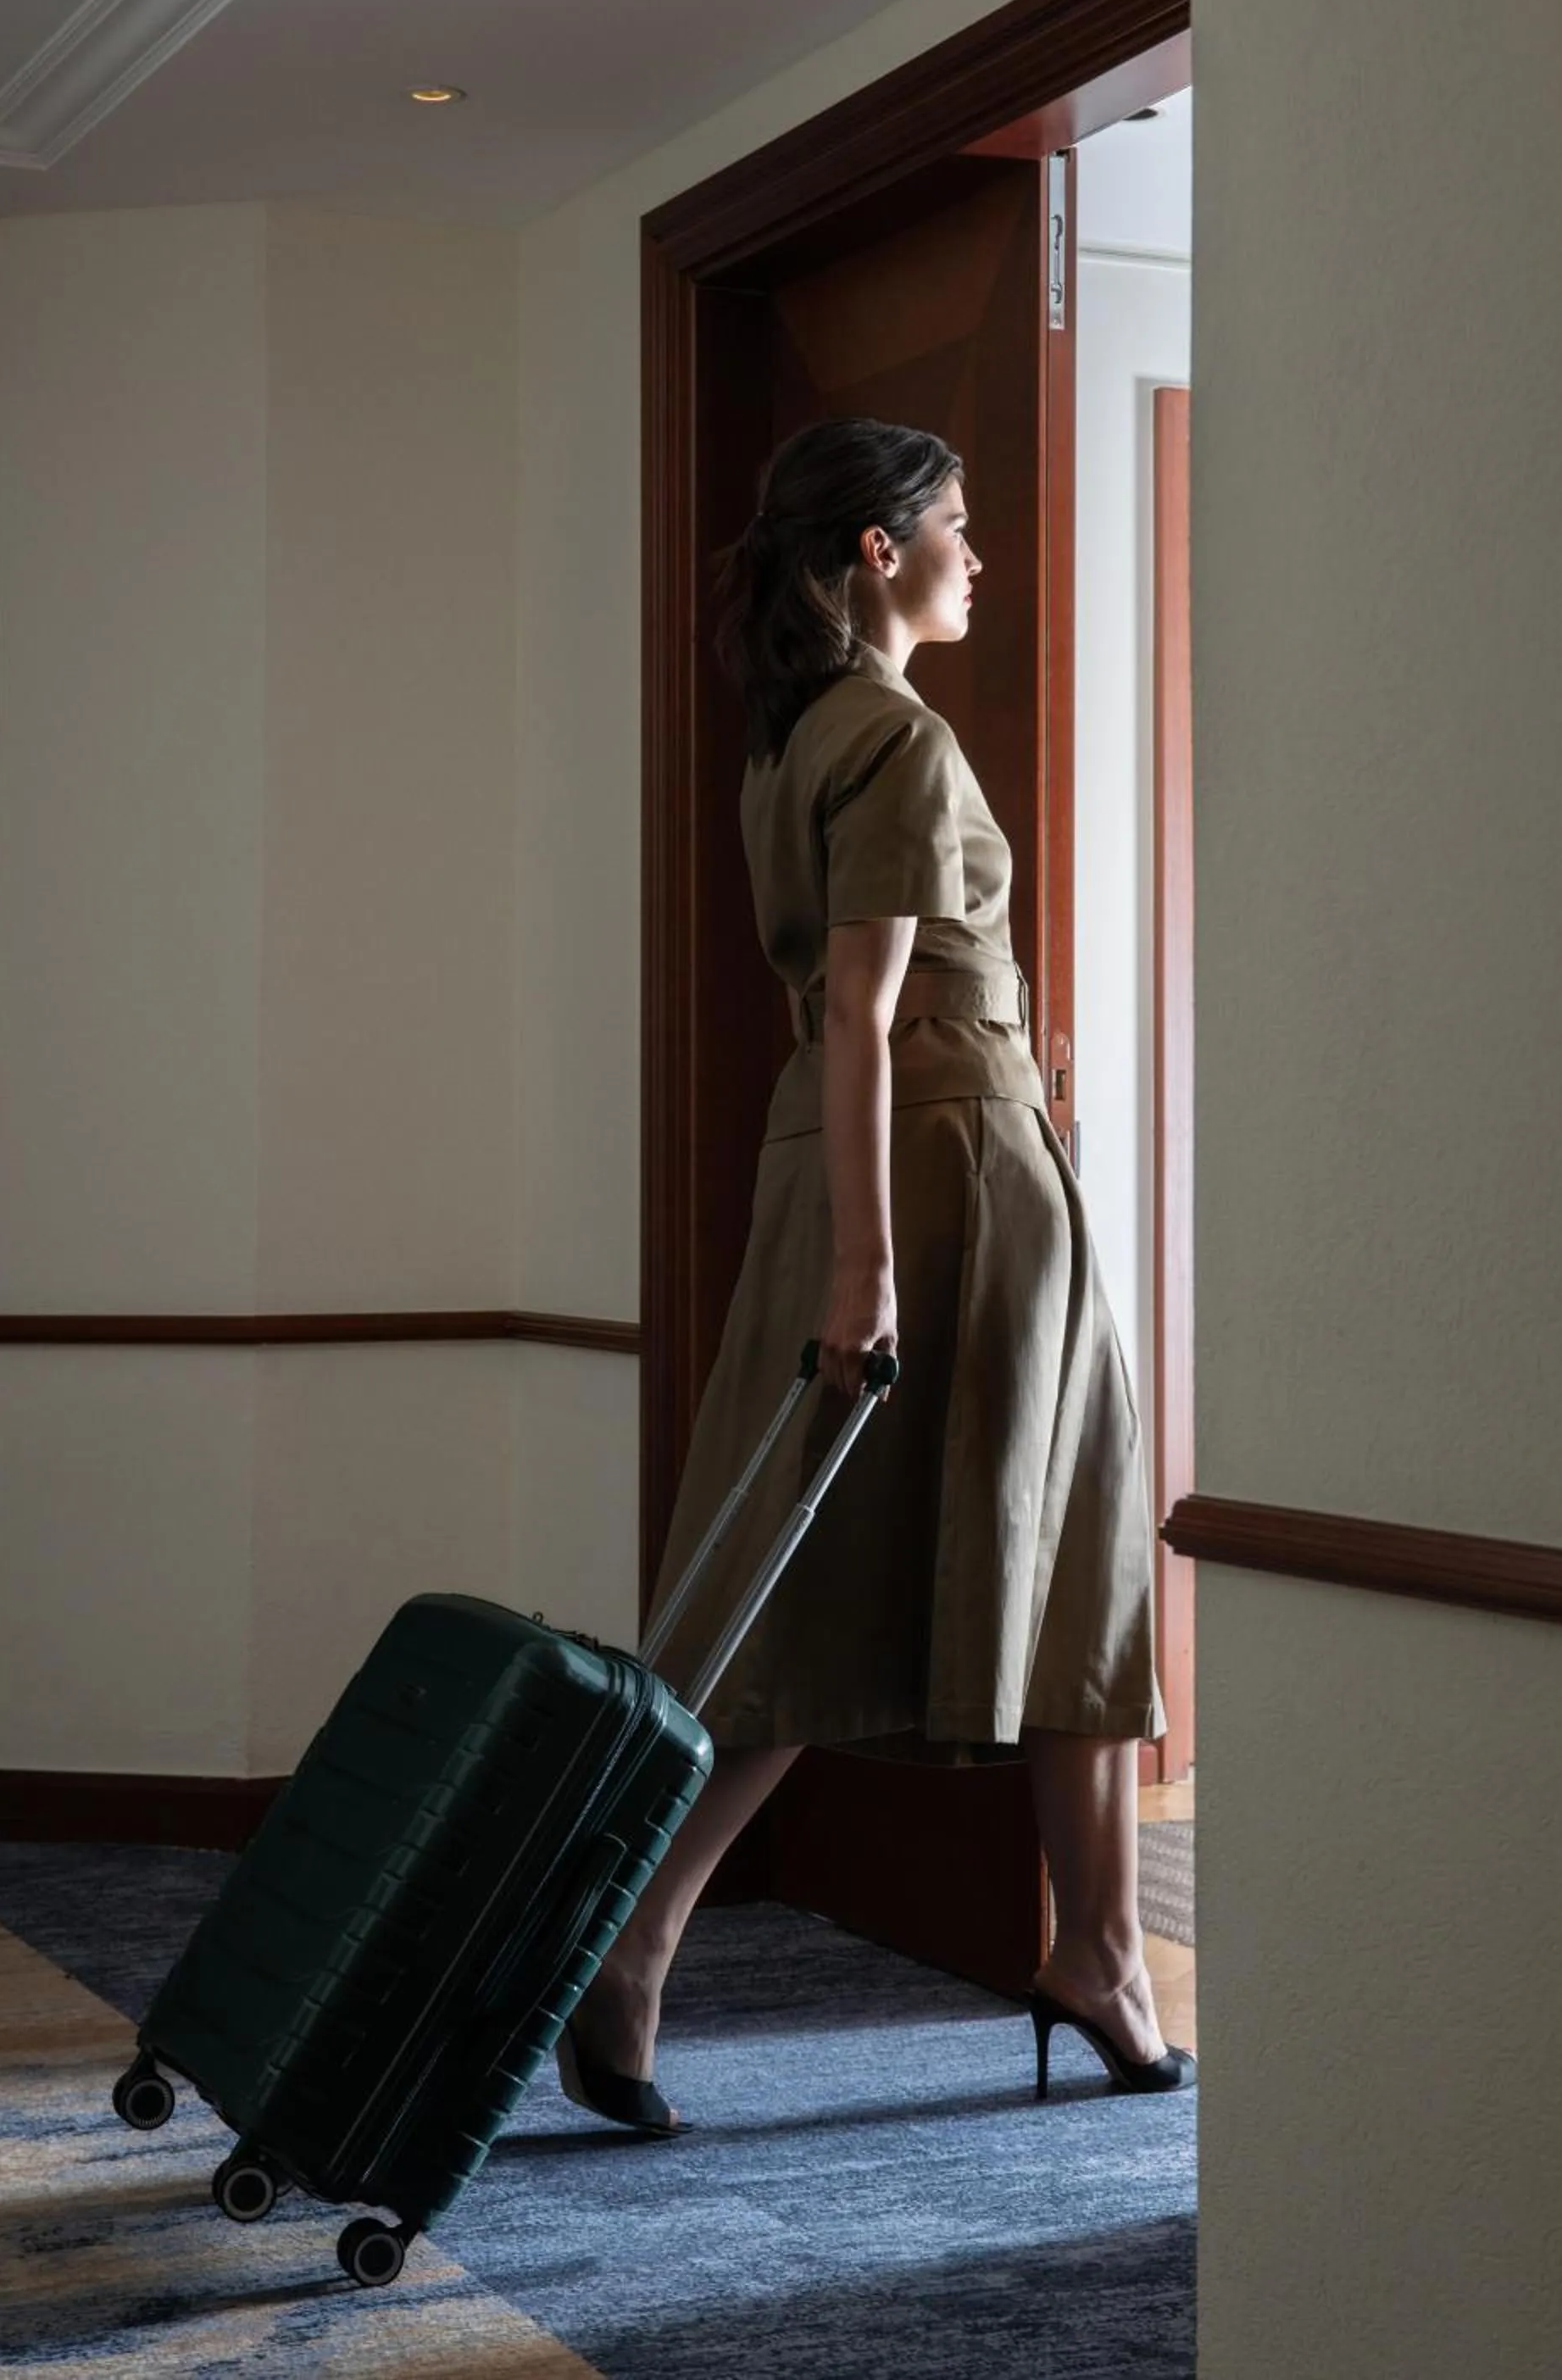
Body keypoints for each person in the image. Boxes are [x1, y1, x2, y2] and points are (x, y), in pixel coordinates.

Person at [558, 415, 1196, 2134]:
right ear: (872, 552)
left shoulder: (793, 733)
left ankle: (638, 1949)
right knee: (1066, 1551)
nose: (977, 557)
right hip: (948, 1175)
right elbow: (860, 1006)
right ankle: (1098, 1962)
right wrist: (870, 1262)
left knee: (797, 1573)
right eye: (957, 527)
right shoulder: (890, 737)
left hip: (867, 1161)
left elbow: (851, 1012)